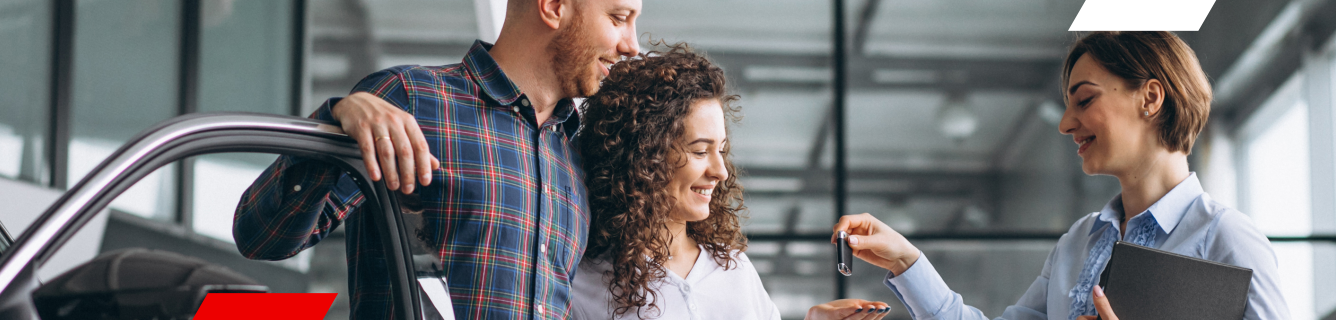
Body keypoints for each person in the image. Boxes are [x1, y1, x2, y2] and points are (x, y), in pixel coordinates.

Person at [832, 31, 1289, 320]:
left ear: (1150, 97)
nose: (1065, 123)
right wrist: (906, 261)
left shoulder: (1226, 239)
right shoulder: (1078, 242)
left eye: (1084, 100)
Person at [231, 0, 642, 318]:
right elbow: (261, 237)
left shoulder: (575, 155)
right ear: (553, 6)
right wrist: (334, 120)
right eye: (618, 17)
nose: (633, 45)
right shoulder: (411, 100)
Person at [569, 43, 892, 320]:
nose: (721, 171)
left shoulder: (734, 269)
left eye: (721, 150)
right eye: (700, 151)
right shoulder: (584, 283)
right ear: (642, 156)